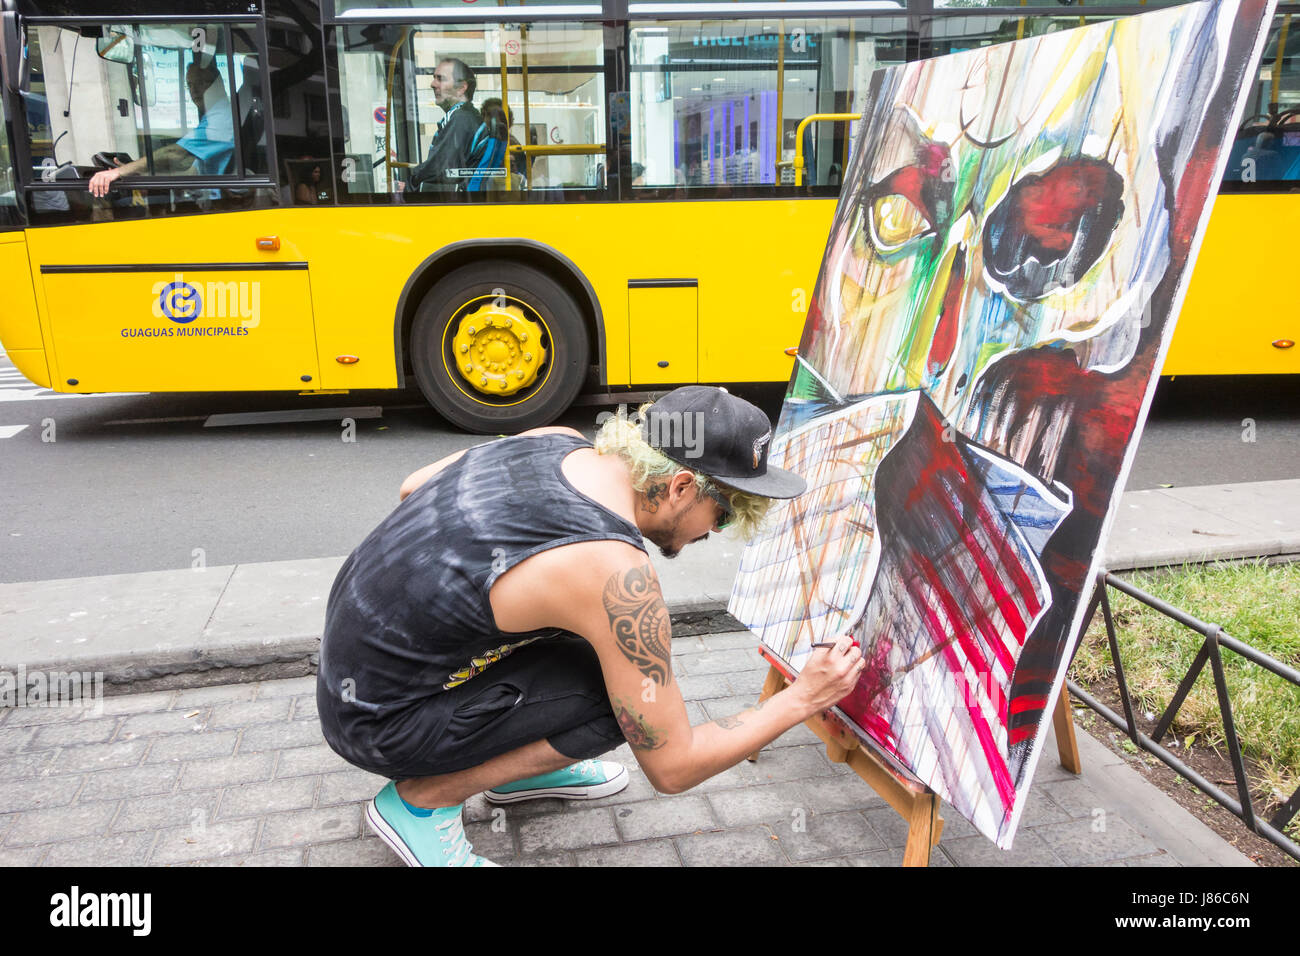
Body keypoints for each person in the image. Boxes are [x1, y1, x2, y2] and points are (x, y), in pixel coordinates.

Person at [316, 386, 866, 867]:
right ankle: (421, 800)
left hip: (351, 677)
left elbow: (415, 486)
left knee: (590, 640)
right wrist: (801, 699)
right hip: (379, 726)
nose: (716, 531)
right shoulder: (616, 573)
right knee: (616, 705)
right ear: (680, 487)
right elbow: (673, 767)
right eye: (723, 513)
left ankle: (511, 770)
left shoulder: (556, 439)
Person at [88, 57, 233, 198]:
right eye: (190, 85)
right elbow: (191, 173)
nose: (193, 91)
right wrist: (137, 171)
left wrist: (118, 172)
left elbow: (174, 153)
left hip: (216, 203)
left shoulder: (221, 119)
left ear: (217, 84)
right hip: (204, 198)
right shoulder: (213, 115)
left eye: (200, 83)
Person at [406, 57, 481, 192]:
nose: (433, 84)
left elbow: (438, 169)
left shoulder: (461, 119)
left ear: (461, 88)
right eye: (434, 78)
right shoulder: (466, 116)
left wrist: (410, 185)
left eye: (440, 79)